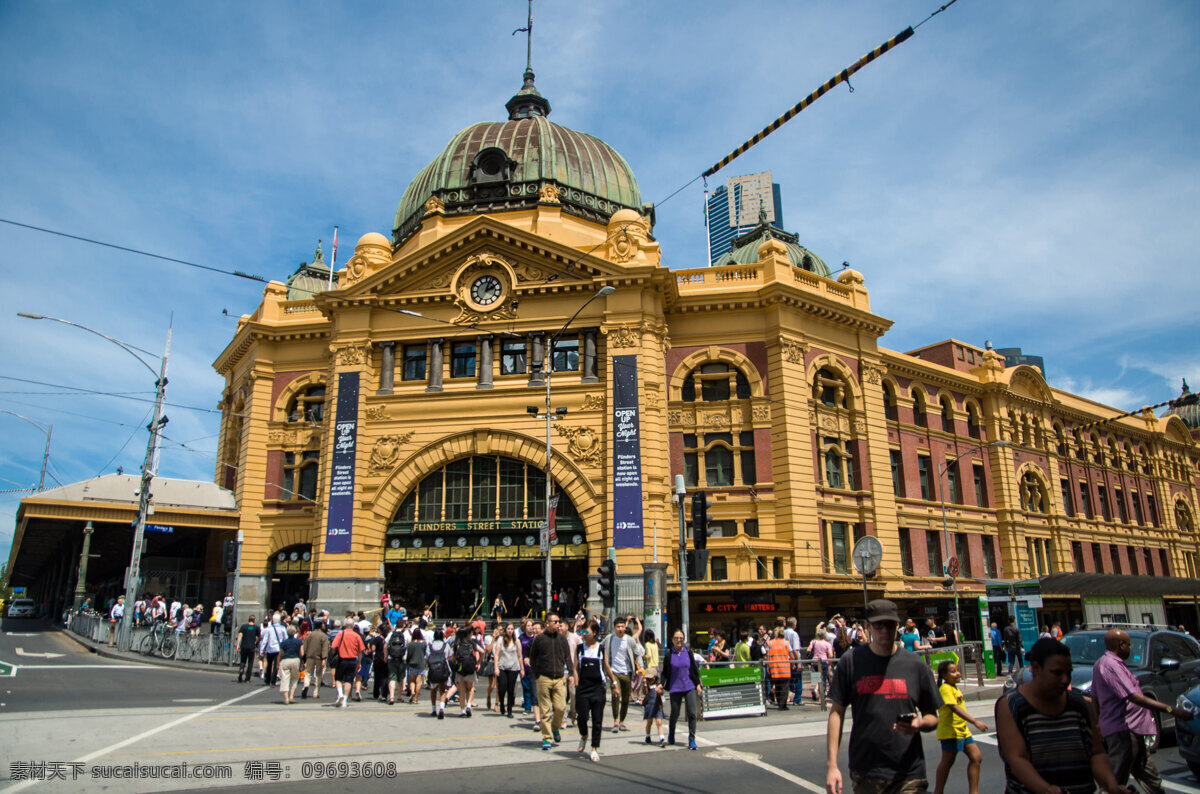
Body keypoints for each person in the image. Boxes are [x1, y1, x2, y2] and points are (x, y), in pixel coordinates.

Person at [826, 599, 942, 794]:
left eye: (890, 625)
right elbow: (836, 713)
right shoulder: (851, 661)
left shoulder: (915, 665)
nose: (884, 630)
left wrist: (920, 724)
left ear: (897, 626)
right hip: (866, 771)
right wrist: (832, 765)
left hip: (910, 772)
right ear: (868, 627)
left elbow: (932, 716)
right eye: (878, 625)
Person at [995, 637, 1133, 794]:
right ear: (1036, 668)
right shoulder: (1011, 704)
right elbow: (1016, 758)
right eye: (1057, 673)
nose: (1065, 679)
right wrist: (1047, 789)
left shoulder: (1078, 704)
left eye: (1068, 673)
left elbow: (1096, 753)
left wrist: (1111, 785)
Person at [1091, 629, 1188, 794]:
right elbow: (1134, 697)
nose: (1130, 648)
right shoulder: (1111, 665)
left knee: (1152, 781)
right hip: (1124, 732)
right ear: (1121, 645)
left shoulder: (1105, 663)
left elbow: (1094, 696)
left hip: (1133, 732)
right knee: (1115, 782)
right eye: (1129, 645)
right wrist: (1171, 710)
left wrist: (1099, 720)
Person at [932, 661, 987, 794]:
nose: (957, 674)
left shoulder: (954, 687)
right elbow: (954, 707)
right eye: (953, 671)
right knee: (947, 762)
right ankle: (938, 791)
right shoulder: (945, 689)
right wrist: (975, 721)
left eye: (957, 670)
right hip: (951, 732)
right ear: (944, 675)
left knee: (976, 757)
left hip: (962, 730)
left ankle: (974, 792)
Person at [527, 611, 576, 751]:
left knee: (561, 708)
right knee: (545, 710)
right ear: (547, 623)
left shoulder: (562, 639)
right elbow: (533, 658)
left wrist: (571, 673)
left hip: (559, 678)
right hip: (544, 678)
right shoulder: (539, 639)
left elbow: (568, 657)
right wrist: (537, 675)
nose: (558, 624)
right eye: (555, 622)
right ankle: (547, 737)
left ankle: (555, 728)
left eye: (559, 622)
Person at [574, 617, 612, 762]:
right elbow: (575, 668)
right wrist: (577, 685)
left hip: (598, 688)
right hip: (583, 688)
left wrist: (614, 684)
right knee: (582, 717)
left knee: (597, 720)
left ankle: (594, 747)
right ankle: (584, 735)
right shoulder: (579, 649)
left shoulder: (601, 649)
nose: (583, 634)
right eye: (582, 631)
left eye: (586, 631)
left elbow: (606, 667)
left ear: (595, 633)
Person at [658, 629, 702, 750]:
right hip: (675, 687)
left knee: (692, 713)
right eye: (676, 638)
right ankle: (671, 733)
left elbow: (693, 670)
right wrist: (661, 684)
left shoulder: (688, 653)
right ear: (672, 640)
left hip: (689, 686)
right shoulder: (669, 655)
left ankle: (692, 739)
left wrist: (697, 684)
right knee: (675, 713)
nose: (679, 640)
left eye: (681, 638)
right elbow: (665, 673)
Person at [605, 616, 644, 732]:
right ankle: (615, 721)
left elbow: (637, 654)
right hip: (614, 672)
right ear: (614, 628)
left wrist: (641, 666)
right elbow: (600, 647)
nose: (620, 629)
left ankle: (622, 721)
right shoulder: (609, 639)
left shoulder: (630, 640)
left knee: (626, 699)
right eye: (618, 627)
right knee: (615, 695)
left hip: (627, 672)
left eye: (622, 626)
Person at [331, 616, 365, 708]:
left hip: (342, 659)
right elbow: (360, 651)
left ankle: (340, 693)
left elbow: (333, 646)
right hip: (353, 660)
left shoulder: (340, 634)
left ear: (345, 625)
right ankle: (345, 700)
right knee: (349, 680)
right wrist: (359, 663)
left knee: (338, 679)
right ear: (353, 625)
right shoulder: (357, 636)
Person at [494, 622, 523, 718]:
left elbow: (520, 656)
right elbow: (497, 654)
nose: (510, 630)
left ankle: (509, 709)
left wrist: (522, 669)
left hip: (514, 667)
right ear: (505, 630)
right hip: (502, 666)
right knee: (502, 688)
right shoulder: (500, 640)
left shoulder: (517, 641)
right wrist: (496, 668)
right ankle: (501, 702)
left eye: (511, 629)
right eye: (508, 629)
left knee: (511, 689)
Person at [426, 628, 452, 719]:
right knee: (442, 690)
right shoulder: (446, 645)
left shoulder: (429, 646)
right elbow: (449, 657)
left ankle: (433, 709)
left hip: (433, 670)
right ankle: (441, 708)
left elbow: (427, 658)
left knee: (433, 690)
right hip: (443, 670)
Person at [300, 618, 329, 699]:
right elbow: (325, 648)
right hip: (319, 657)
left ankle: (306, 685)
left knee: (308, 673)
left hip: (309, 656)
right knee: (318, 674)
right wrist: (324, 658)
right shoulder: (323, 636)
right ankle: (316, 692)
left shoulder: (310, 635)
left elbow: (305, 646)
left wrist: (304, 656)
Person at [766, 627, 792, 710]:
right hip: (785, 668)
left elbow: (768, 656)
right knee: (785, 687)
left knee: (777, 686)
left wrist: (768, 667)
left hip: (775, 668)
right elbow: (791, 654)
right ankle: (782, 705)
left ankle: (779, 702)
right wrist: (794, 662)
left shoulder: (770, 643)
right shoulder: (786, 643)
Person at [805, 627, 834, 701]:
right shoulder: (827, 644)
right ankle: (821, 698)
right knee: (823, 680)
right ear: (824, 636)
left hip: (814, 661)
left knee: (817, 678)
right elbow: (830, 655)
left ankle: (815, 690)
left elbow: (808, 650)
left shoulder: (813, 642)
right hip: (823, 661)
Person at [278, 624, 304, 705]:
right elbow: (302, 654)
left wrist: (278, 663)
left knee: (285, 678)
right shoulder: (299, 642)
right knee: (294, 678)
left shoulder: (283, 642)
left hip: (285, 660)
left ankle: (286, 698)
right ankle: (291, 696)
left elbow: (280, 654)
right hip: (295, 660)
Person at [643, 669, 666, 746]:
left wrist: (660, 691)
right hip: (649, 705)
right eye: (648, 679)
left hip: (657, 705)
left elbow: (662, 693)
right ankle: (647, 736)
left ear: (655, 678)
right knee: (649, 722)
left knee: (659, 722)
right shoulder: (647, 686)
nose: (649, 681)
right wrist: (645, 686)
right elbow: (645, 693)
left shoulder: (658, 685)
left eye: (651, 679)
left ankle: (662, 738)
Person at [235, 614, 261, 682]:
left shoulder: (244, 626)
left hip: (244, 646)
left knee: (243, 660)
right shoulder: (256, 627)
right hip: (251, 647)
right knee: (250, 663)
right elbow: (259, 637)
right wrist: (255, 642)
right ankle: (247, 678)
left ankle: (241, 669)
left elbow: (240, 635)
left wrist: (237, 645)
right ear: (254, 620)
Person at [405, 627, 427, 705]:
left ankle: (412, 692)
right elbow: (424, 653)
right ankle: (416, 698)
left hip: (412, 663)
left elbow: (409, 654)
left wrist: (407, 662)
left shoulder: (411, 644)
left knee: (412, 681)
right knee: (419, 682)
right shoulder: (424, 643)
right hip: (421, 664)